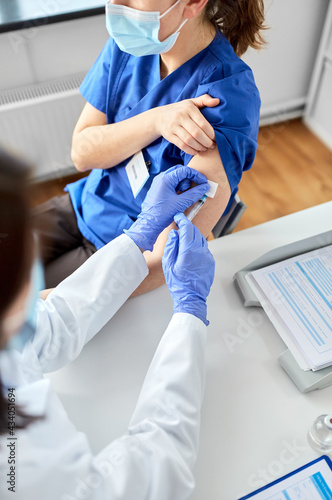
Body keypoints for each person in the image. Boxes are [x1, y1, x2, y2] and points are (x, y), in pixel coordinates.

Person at [0, 149, 215, 500]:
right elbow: (158, 467)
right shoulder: (22, 467)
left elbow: (53, 326)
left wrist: (139, 235)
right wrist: (190, 313)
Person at [33, 0, 264, 291]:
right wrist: (156, 120)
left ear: (192, 3)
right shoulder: (132, 44)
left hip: (122, 251)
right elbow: (82, 153)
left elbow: (162, 259)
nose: (116, 4)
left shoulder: (225, 97)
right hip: (82, 203)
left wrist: (56, 305)